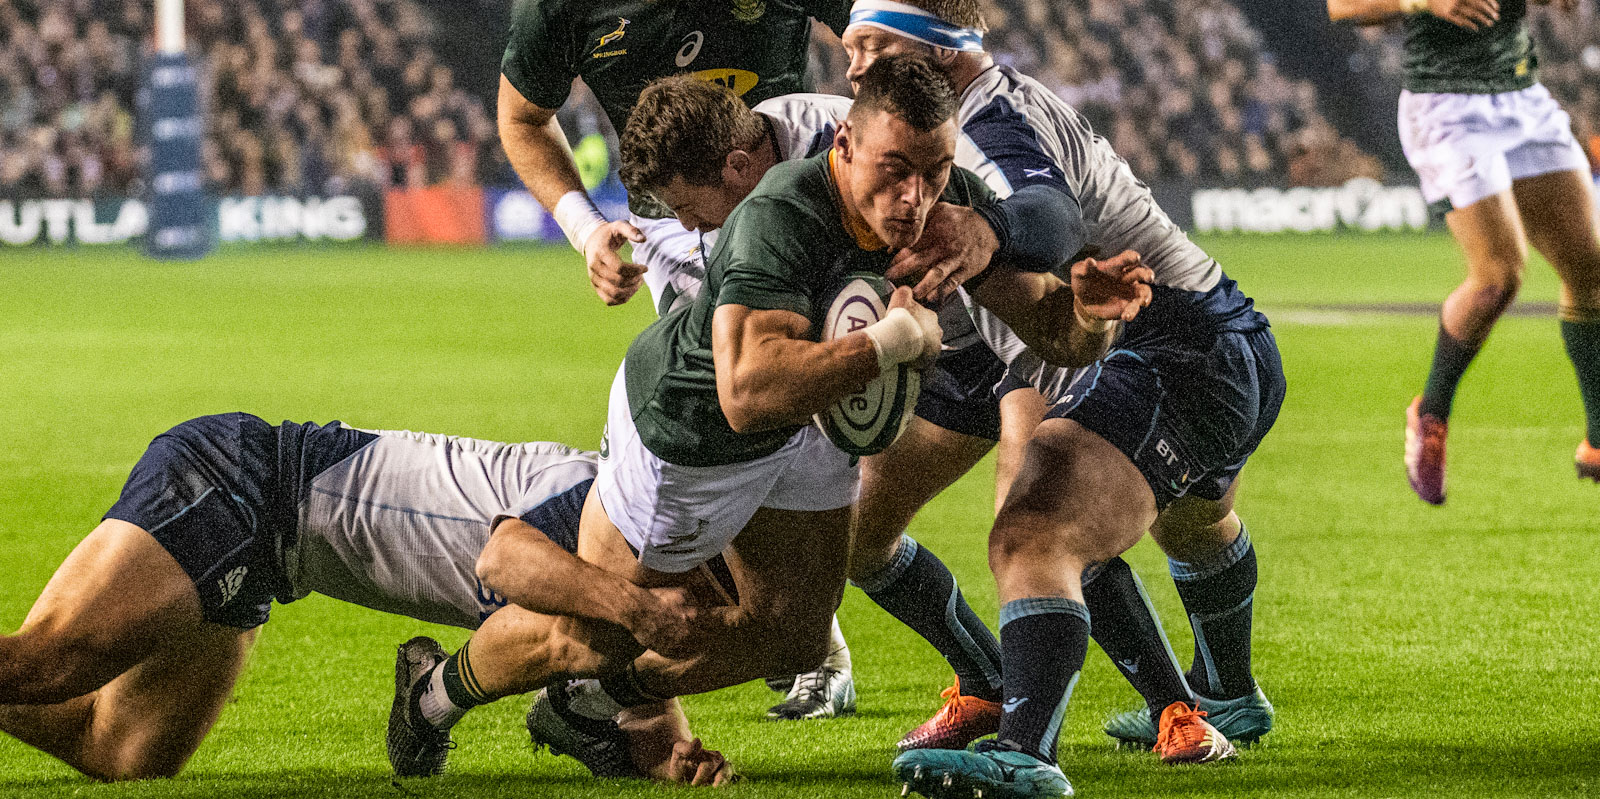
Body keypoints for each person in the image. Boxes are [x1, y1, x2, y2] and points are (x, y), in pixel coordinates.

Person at [388, 55, 1109, 776]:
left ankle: (593, 701)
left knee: (794, 637)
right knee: (593, 633)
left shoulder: (939, 202)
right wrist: (887, 343)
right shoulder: (780, 212)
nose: (914, 197)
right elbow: (747, 394)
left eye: (935, 170)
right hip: (690, 432)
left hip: (810, 424)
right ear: (843, 145)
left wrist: (1091, 317)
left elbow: (1048, 324)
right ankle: (435, 696)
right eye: (893, 171)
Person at [850, 6, 1287, 797]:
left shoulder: (983, 120)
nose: (855, 67)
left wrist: (988, 232)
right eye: (851, 48)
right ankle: (1226, 694)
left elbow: (1045, 215)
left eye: (875, 48)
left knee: (1032, 535)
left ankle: (1025, 751)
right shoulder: (992, 101)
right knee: (1193, 524)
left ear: (941, 53)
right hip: (1217, 333)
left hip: (1164, 344)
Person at [617, 75, 1076, 734]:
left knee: (1029, 533)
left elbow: (1051, 221)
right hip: (906, 348)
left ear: (737, 168)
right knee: (859, 543)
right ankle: (987, 679)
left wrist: (1019, 258)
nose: (692, 228)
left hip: (991, 347)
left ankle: (1145, 714)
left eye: (694, 210)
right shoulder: (774, 181)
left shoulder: (883, 153)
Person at [0, 413, 728, 785]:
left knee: (125, 757)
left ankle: (430, 695)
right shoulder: (616, 506)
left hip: (271, 562)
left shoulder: (647, 547)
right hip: (243, 481)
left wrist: (676, 757)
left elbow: (627, 678)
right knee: (44, 666)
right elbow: (511, 568)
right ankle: (430, 697)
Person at [496, 0, 865, 713]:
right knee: (746, 417)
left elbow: (883, 29)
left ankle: (812, 636)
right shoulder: (560, 8)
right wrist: (585, 228)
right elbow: (522, 117)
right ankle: (806, 638)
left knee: (819, 417)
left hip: (799, 194)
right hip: (677, 224)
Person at [1327, 0, 1600, 503]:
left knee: (1592, 272)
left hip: (1521, 93)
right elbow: (1342, 6)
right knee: (1499, 279)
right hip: (1446, 106)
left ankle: (1598, 443)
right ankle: (1430, 412)